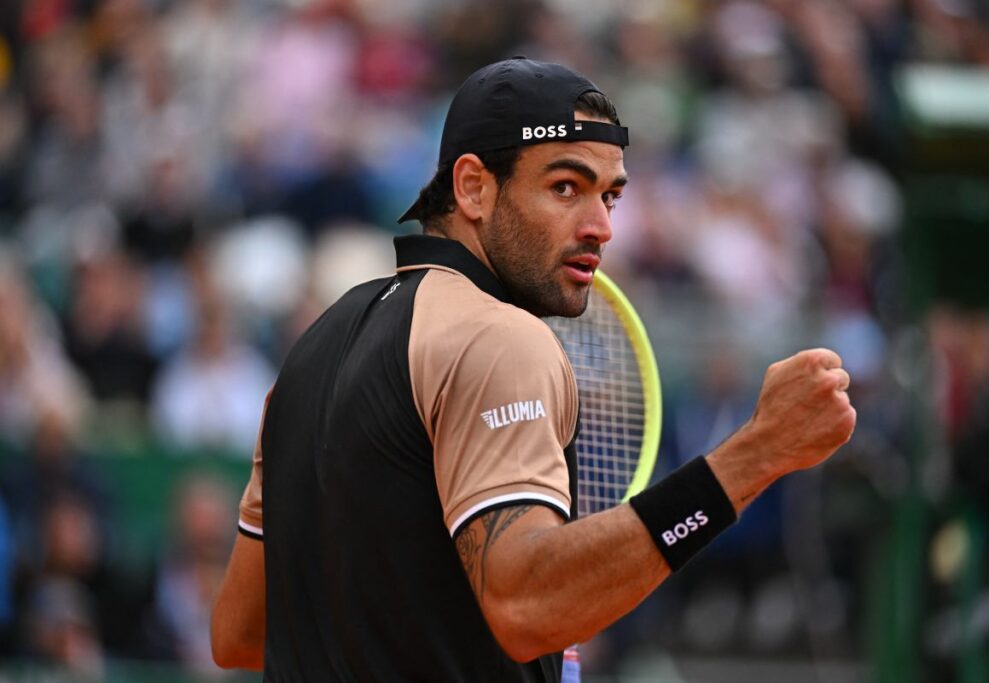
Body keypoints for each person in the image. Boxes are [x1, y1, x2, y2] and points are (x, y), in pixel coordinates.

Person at [210, 57, 856, 681]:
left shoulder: (311, 347)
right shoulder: (499, 335)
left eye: (610, 196)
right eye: (565, 187)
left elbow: (240, 631)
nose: (601, 226)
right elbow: (528, 606)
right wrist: (756, 454)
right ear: (472, 187)